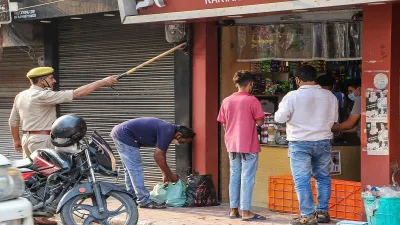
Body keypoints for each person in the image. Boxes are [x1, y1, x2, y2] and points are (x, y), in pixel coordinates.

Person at [8, 67, 118, 225]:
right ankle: (41, 216)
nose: (54, 81)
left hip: (27, 138)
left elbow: (13, 121)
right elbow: (77, 93)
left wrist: (16, 140)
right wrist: (103, 82)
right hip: (42, 139)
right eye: (51, 78)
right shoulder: (41, 95)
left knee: (34, 178)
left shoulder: (21, 95)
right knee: (52, 176)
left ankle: (33, 212)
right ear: (41, 80)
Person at [275, 65, 338, 225]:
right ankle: (322, 212)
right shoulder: (329, 96)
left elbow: (280, 119)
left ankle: (308, 215)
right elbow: (334, 120)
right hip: (323, 141)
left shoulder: (292, 96)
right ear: (315, 77)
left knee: (302, 180)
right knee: (323, 177)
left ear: (297, 79)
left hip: (300, 143)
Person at [110, 117, 195, 209]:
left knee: (130, 169)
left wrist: (165, 174)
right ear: (179, 135)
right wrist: (170, 175)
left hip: (120, 133)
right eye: (183, 142)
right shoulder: (168, 131)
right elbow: (158, 156)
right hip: (124, 135)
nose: (181, 144)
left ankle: (132, 197)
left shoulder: (168, 129)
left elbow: (162, 156)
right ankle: (144, 200)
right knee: (135, 168)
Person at [217, 70, 266, 222]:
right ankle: (246, 212)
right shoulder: (252, 100)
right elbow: (260, 121)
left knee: (234, 176)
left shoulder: (226, 101)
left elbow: (224, 123)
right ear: (250, 84)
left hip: (231, 144)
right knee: (247, 178)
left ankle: (233, 210)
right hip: (248, 144)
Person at [317, 75, 347, 141]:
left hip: (336, 132)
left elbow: (343, 113)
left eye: (328, 90)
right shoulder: (314, 96)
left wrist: (342, 129)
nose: (326, 93)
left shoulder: (340, 96)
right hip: (319, 132)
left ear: (333, 86)